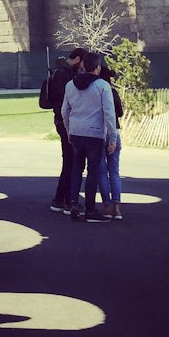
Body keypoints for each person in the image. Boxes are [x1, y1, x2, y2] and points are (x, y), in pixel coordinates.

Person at [60, 50, 117, 223]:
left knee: (77, 168)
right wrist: (112, 137)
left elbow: (65, 111)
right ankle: (90, 210)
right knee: (93, 171)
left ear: (84, 66)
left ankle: (74, 202)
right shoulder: (102, 86)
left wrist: (69, 130)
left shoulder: (70, 85)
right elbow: (109, 112)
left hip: (76, 132)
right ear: (98, 67)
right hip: (94, 133)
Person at [47, 48, 84, 213]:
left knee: (69, 161)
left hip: (63, 120)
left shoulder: (61, 72)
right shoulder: (64, 74)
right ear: (77, 59)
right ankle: (67, 200)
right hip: (65, 122)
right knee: (71, 161)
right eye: (82, 62)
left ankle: (60, 199)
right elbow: (65, 101)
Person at [96, 63, 124, 219]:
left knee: (102, 172)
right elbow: (119, 112)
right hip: (114, 131)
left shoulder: (96, 91)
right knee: (114, 172)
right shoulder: (113, 92)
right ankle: (117, 208)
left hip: (100, 132)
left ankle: (106, 205)